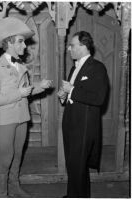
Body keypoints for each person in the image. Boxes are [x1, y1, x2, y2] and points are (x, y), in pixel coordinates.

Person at [0, 17, 52, 198]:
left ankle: (14, 188)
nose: (25, 46)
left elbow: (26, 91)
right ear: (9, 43)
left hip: (22, 117)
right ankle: (2, 194)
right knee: (5, 160)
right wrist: (20, 94)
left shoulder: (21, 67)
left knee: (17, 156)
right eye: (21, 42)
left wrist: (41, 86)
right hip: (6, 120)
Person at [57, 31, 109, 197]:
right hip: (71, 122)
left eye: (72, 45)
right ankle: (75, 194)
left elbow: (99, 98)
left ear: (83, 46)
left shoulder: (98, 67)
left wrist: (71, 90)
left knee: (78, 164)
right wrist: (64, 96)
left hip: (84, 125)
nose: (68, 48)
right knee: (73, 164)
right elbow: (74, 94)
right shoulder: (74, 67)